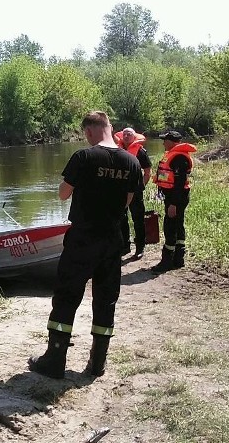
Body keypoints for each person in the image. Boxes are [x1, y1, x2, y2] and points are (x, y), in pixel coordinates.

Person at [28, 111, 141, 379]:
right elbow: (127, 200)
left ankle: (54, 359)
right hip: (113, 240)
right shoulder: (132, 162)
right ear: (109, 128)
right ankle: (97, 364)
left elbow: (63, 193)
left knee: (67, 296)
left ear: (89, 131)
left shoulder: (84, 157)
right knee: (106, 299)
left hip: (83, 238)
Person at [151, 130, 198, 272]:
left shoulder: (179, 158)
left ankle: (167, 262)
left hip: (176, 198)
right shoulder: (174, 155)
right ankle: (178, 260)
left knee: (170, 227)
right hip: (173, 196)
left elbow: (179, 183)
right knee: (177, 225)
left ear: (172, 141)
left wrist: (173, 204)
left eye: (165, 140)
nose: (163, 143)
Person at [114, 127, 152, 258]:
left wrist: (141, 186)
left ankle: (140, 247)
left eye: (129, 134)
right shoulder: (116, 150)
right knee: (121, 219)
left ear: (134, 136)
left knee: (138, 219)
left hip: (135, 191)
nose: (126, 136)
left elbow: (147, 172)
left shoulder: (140, 152)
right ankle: (125, 246)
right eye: (124, 134)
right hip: (119, 192)